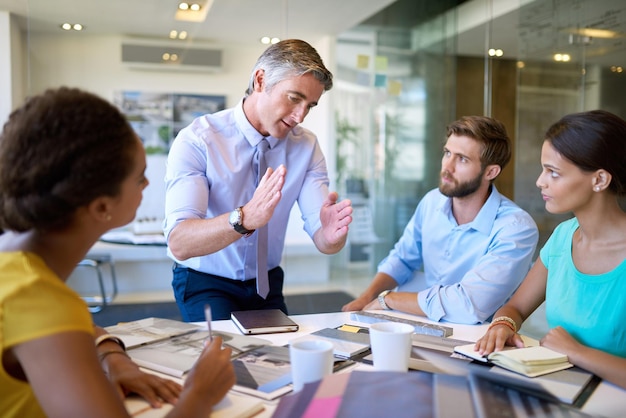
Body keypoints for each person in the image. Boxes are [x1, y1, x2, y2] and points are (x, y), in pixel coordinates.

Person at [0, 87, 235, 417]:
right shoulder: (42, 301)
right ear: (101, 206)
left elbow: (74, 329)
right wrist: (200, 393)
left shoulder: (17, 266)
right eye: (139, 178)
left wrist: (113, 354)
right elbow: (55, 320)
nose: (147, 186)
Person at [164, 39, 353, 321]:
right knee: (226, 361)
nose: (300, 116)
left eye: (310, 106)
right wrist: (245, 218)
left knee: (283, 361)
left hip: (267, 284)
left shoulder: (306, 147)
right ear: (261, 80)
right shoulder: (198, 140)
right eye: (294, 98)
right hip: (206, 281)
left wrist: (330, 238)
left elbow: (325, 241)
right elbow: (179, 242)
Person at [474, 110, 626, 389]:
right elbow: (516, 307)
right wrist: (503, 325)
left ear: (600, 180)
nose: (540, 181)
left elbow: (570, 349)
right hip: (560, 392)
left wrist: (578, 353)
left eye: (553, 173)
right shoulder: (562, 237)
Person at [342, 116, 539, 324]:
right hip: (420, 322)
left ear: (490, 171)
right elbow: (402, 258)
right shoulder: (432, 201)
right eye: (447, 153)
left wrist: (389, 299)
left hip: (475, 340)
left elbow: (469, 304)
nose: (448, 166)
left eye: (462, 159)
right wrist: (367, 297)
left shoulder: (516, 228)